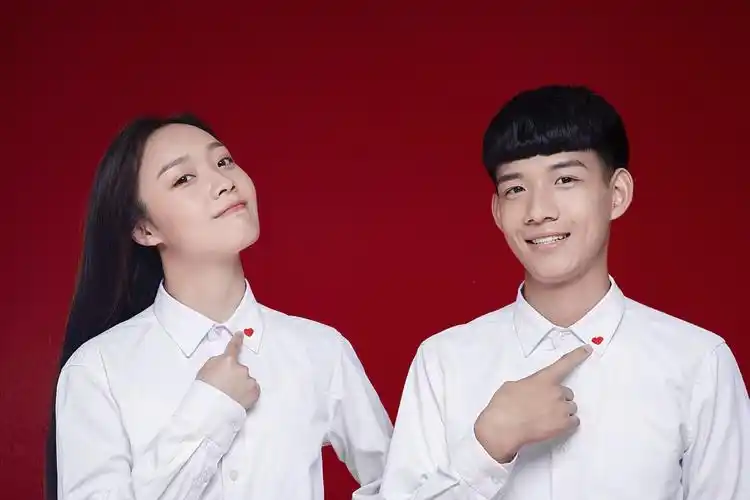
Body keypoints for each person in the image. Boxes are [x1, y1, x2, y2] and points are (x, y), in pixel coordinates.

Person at [379, 85, 749, 499]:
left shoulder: (699, 364)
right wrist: (487, 448)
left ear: (617, 194)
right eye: (515, 189)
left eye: (566, 179)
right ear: (498, 211)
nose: (538, 211)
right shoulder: (443, 363)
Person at [45, 114, 393, 500]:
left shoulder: (320, 350)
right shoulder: (97, 370)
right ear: (145, 229)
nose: (224, 181)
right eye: (183, 178)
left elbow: (402, 484)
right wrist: (212, 407)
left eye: (224, 161)